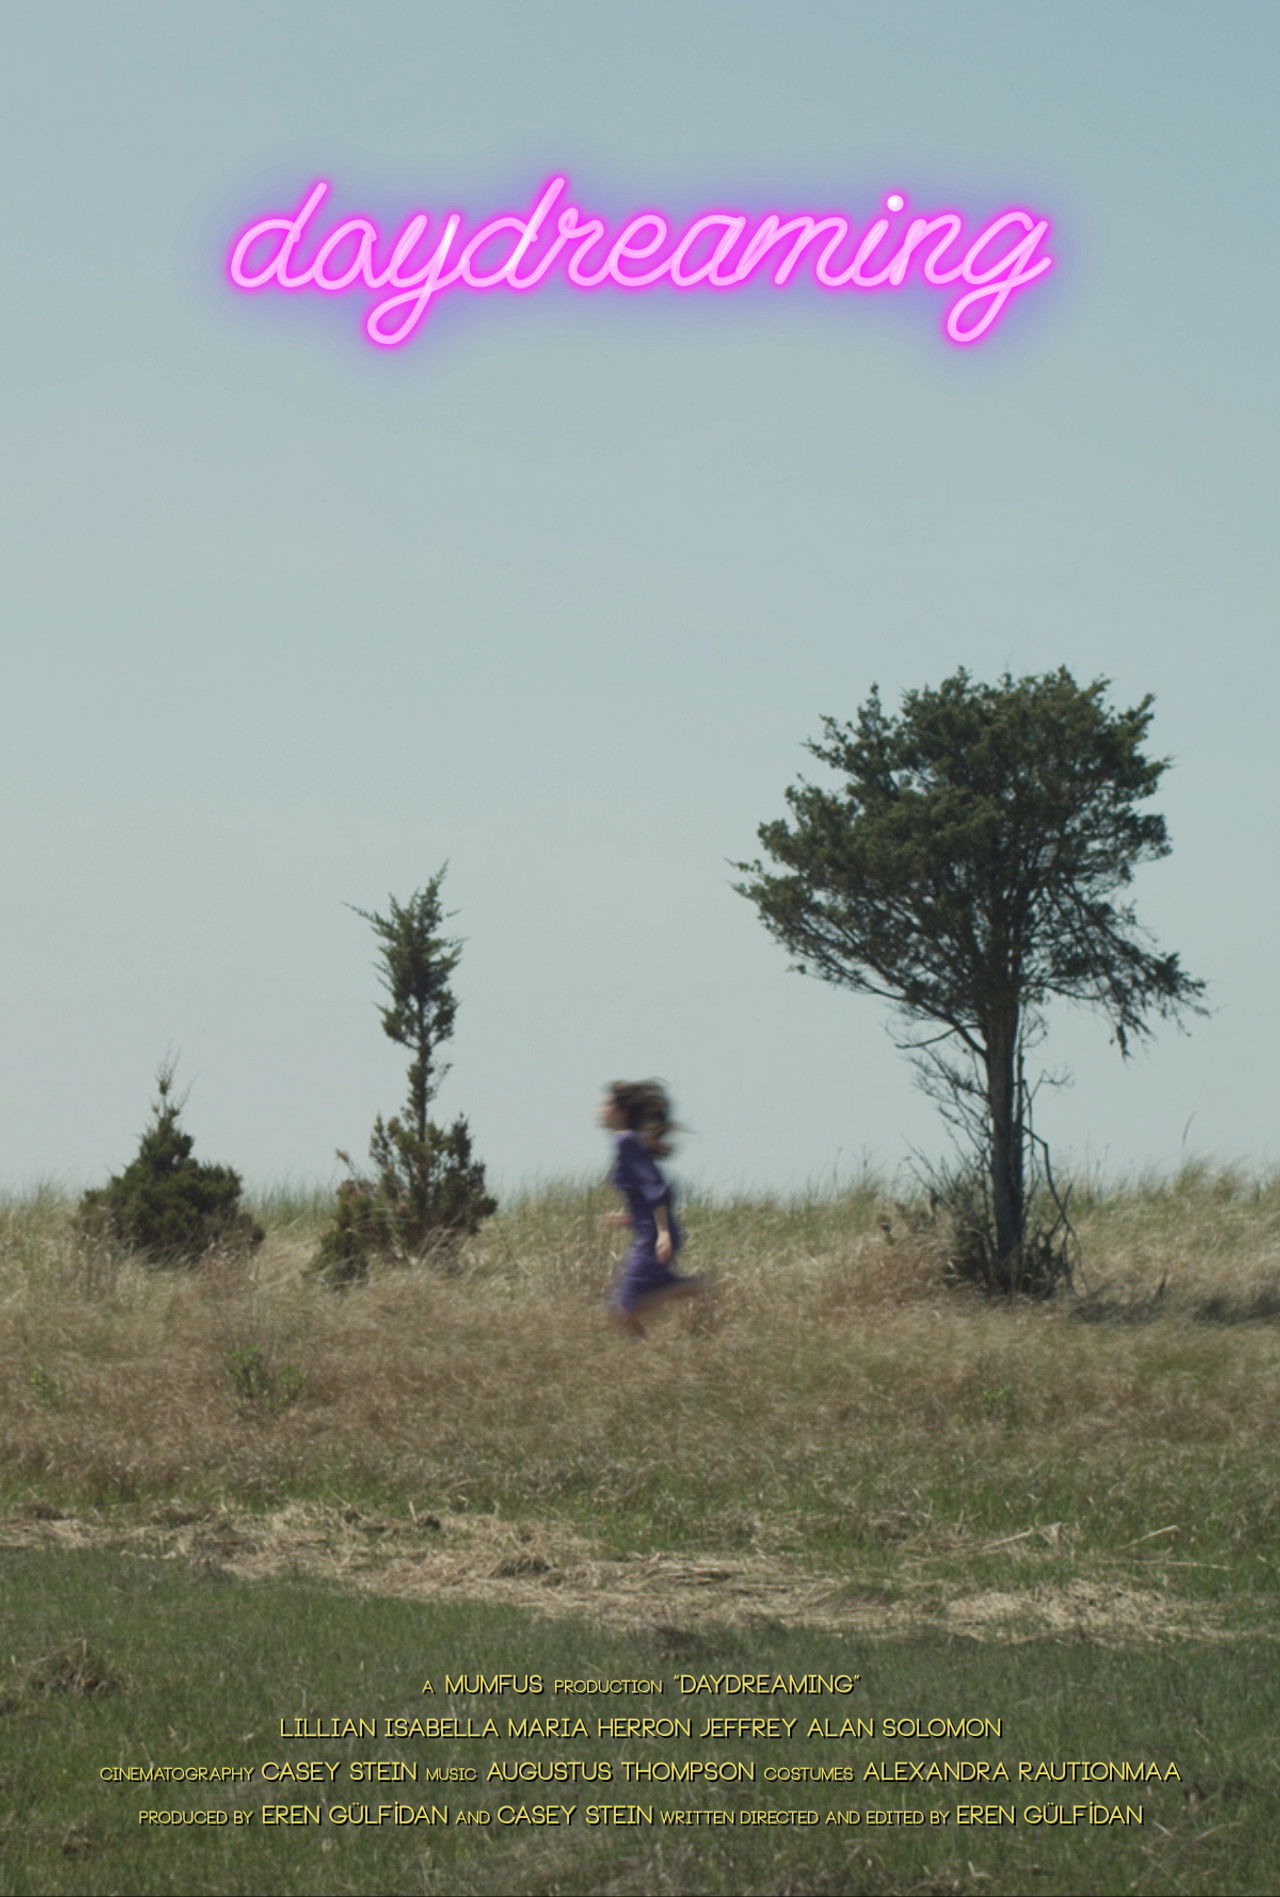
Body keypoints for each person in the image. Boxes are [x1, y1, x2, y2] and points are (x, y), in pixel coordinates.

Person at [600, 1080, 698, 1337]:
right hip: (648, 1232)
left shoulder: (627, 1142)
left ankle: (689, 1286)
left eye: (606, 1104)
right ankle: (642, 1353)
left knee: (624, 1307)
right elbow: (645, 1194)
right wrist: (628, 1218)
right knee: (618, 1307)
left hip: (653, 1237)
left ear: (620, 1112)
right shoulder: (626, 1143)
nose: (601, 1110)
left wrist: (663, 1233)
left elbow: (654, 1186)